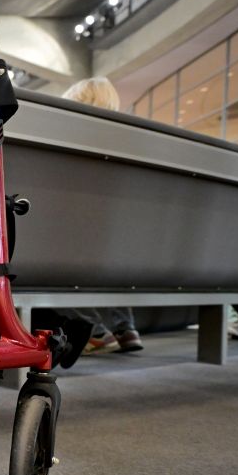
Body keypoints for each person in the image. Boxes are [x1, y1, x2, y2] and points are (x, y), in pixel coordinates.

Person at [58, 77, 142, 354]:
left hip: (78, 241)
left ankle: (94, 332)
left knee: (50, 261)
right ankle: (126, 329)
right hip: (121, 245)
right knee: (113, 256)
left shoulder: (70, 143)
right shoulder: (130, 145)